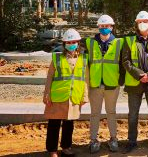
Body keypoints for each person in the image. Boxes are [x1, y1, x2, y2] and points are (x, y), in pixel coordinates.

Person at [122, 11, 148, 152]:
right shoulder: (129, 41)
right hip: (135, 83)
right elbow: (126, 61)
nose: (142, 24)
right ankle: (132, 141)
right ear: (136, 24)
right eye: (140, 22)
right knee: (133, 114)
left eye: (145, 22)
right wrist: (140, 75)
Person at [43, 29, 89, 157]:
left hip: (74, 96)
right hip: (58, 95)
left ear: (78, 43)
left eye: (74, 41)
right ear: (64, 44)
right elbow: (50, 77)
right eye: (69, 42)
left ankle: (66, 147)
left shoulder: (83, 59)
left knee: (69, 124)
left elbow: (85, 79)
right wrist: (47, 94)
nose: (71, 44)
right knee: (54, 124)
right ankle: (52, 150)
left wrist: (84, 96)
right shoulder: (57, 58)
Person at [84, 15, 125, 153]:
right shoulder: (90, 43)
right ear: (98, 27)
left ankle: (113, 139)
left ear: (112, 27)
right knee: (94, 113)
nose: (104, 28)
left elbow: (123, 64)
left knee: (111, 112)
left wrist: (121, 81)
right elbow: (85, 64)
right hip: (95, 85)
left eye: (107, 26)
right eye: (102, 26)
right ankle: (93, 140)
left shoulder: (119, 43)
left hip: (112, 85)